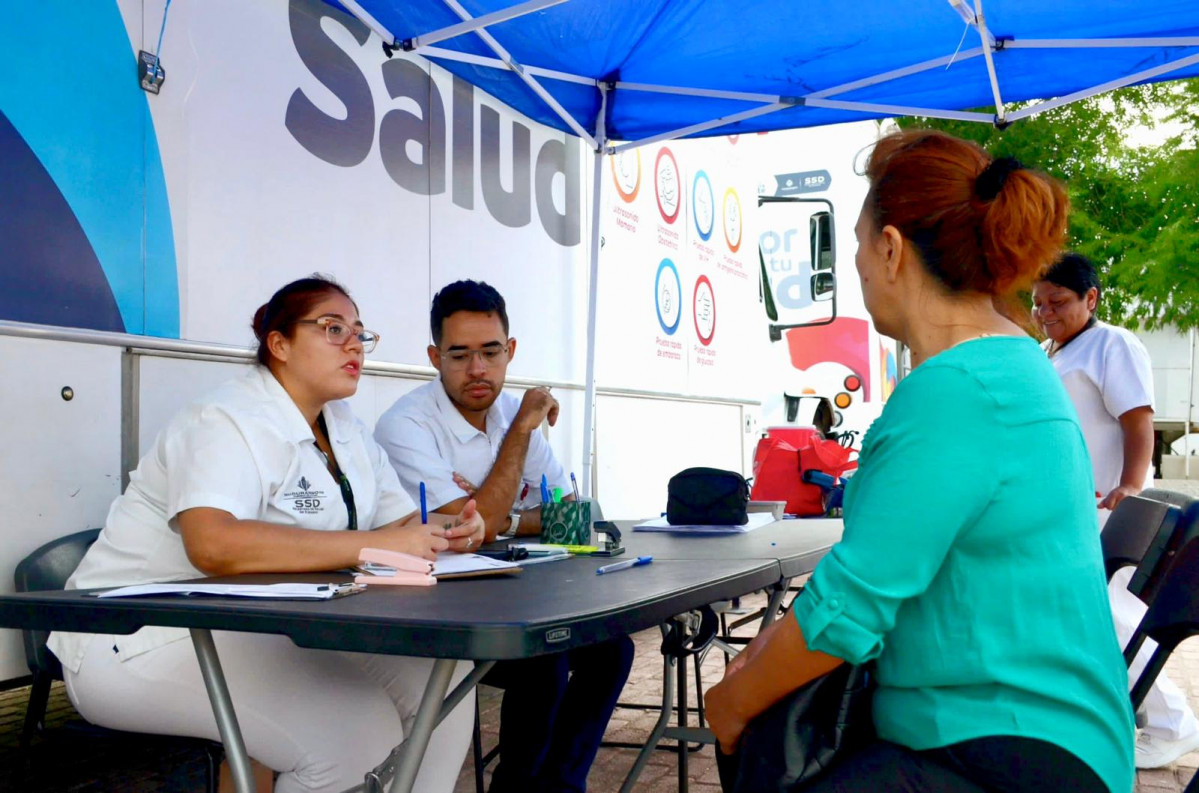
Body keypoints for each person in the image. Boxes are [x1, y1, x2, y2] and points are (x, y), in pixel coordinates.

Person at [705, 130, 1134, 793]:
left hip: (1006, 746)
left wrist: (729, 703)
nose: (854, 264)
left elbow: (847, 610)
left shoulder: (957, 389)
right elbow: (861, 586)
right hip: (1022, 731)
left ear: (890, 247)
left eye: (854, 243)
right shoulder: (1010, 363)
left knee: (755, 735)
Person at [47, 276, 485, 793]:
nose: (353, 344)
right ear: (278, 345)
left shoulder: (344, 427)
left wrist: (449, 530)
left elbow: (397, 527)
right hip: (138, 637)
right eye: (332, 328)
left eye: (360, 333)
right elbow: (212, 545)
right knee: (354, 732)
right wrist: (375, 545)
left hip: (253, 629)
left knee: (445, 681)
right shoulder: (225, 419)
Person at [374, 279, 634, 793]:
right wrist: (516, 450)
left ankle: (558, 788)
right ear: (434, 356)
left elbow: (568, 511)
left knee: (612, 649)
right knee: (545, 657)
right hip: (435, 609)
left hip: (512, 588)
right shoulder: (406, 424)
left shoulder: (513, 411)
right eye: (459, 355)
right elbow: (463, 531)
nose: (477, 370)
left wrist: (502, 516)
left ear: (509, 350)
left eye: (491, 352)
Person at [1034, 253, 1199, 769]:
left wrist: (1130, 484)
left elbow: (1137, 419)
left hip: (1112, 505)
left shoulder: (1113, 344)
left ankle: (1175, 723)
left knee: (1112, 616)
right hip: (1072, 510)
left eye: (1057, 302)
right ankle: (1121, 715)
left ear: (1091, 298)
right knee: (1086, 618)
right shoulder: (1049, 349)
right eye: (1038, 303)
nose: (1045, 312)